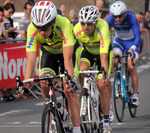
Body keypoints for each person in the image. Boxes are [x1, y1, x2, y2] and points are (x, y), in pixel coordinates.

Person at [16, 1, 81, 132]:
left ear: (53, 23)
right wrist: (25, 86)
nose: (41, 32)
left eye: (45, 28)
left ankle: (77, 128)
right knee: (44, 83)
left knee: (69, 91)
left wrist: (70, 80)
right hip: (49, 53)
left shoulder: (64, 23)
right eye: (38, 27)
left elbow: (67, 59)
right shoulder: (32, 29)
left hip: (68, 53)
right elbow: (31, 60)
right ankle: (55, 110)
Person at [74, 5, 113, 133]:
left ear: (96, 22)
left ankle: (106, 120)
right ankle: (85, 92)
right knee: (81, 71)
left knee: (102, 84)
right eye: (83, 23)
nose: (86, 26)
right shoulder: (76, 30)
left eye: (89, 24)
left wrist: (104, 75)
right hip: (89, 52)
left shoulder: (103, 27)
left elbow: (103, 56)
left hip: (104, 52)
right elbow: (72, 53)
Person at [105, 1, 140, 106]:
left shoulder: (131, 17)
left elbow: (138, 36)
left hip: (132, 43)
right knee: (114, 60)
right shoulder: (110, 18)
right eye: (115, 17)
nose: (117, 19)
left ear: (124, 13)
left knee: (131, 66)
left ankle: (135, 95)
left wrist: (133, 49)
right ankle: (118, 78)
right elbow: (104, 33)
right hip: (119, 42)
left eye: (120, 16)